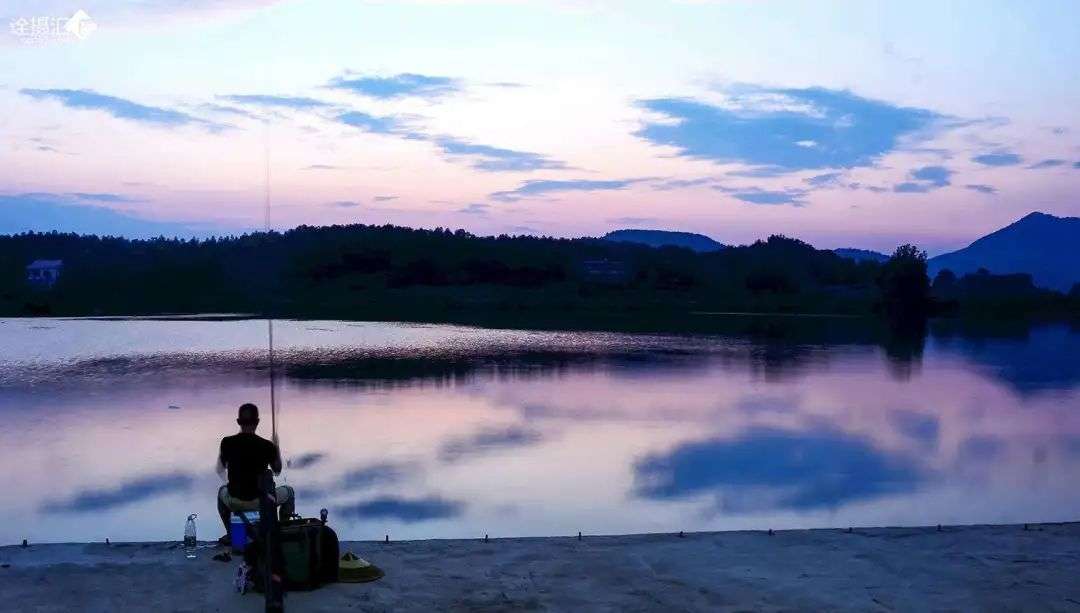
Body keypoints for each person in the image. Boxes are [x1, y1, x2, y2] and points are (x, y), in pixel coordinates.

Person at [216, 403, 295, 542]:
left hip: (235, 500)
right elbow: (277, 470)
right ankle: (283, 533)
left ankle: (231, 534)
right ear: (257, 422)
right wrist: (276, 448)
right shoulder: (267, 446)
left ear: (238, 422)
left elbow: (221, 468)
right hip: (261, 501)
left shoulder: (227, 442)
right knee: (289, 492)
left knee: (221, 491)